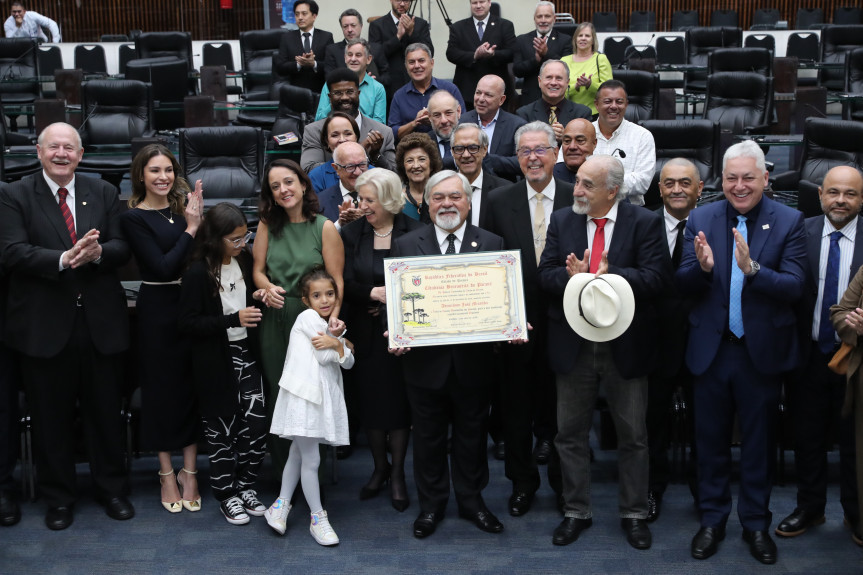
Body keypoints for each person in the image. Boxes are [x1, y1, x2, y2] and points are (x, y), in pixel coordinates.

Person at [677, 140, 807, 565]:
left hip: (759, 353)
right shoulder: (700, 216)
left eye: (748, 178)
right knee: (709, 442)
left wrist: (753, 270)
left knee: (758, 445)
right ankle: (712, 520)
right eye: (731, 178)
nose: (739, 186)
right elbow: (682, 284)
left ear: (765, 179)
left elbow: (794, 287)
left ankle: (755, 523)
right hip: (712, 351)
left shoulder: (790, 221)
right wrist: (703, 269)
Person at [0, 122, 133, 530]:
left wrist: (95, 255)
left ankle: (111, 489)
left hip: (100, 324)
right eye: (53, 147)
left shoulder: (104, 191)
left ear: (80, 154)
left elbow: (121, 247)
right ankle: (59, 498)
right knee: (50, 417)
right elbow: (12, 252)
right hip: (44, 326)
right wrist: (65, 258)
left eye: (69, 148)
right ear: (38, 152)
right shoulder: (13, 193)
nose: (62, 154)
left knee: (105, 413)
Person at [537, 154, 670, 550]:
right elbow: (544, 275)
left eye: (586, 185)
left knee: (633, 435)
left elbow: (656, 279)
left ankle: (634, 513)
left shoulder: (643, 222)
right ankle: (576, 510)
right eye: (577, 182)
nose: (576, 190)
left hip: (625, 346)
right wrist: (570, 278)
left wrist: (608, 277)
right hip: (573, 345)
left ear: (612, 191)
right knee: (569, 435)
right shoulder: (563, 220)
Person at [389, 170, 506, 539]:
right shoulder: (407, 245)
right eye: (438, 197)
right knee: (428, 438)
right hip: (424, 364)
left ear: (469, 203)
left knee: (473, 435)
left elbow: (500, 299)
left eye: (455, 197)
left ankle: (472, 502)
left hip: (474, 364)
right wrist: (395, 330)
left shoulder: (491, 242)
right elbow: (399, 303)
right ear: (426, 203)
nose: (447, 204)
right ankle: (432, 505)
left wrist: (510, 323)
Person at [485, 121, 572, 518]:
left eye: (540, 149)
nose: (533, 157)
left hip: (566, 323)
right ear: (516, 158)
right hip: (514, 326)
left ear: (555, 154)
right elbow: (488, 264)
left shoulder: (577, 198)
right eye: (525, 151)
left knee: (560, 415)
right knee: (516, 413)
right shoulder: (499, 200)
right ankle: (522, 484)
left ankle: (562, 486)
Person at [777, 166, 863, 541]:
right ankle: (809, 508)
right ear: (820, 195)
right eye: (833, 192)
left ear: (861, 199)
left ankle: (856, 512)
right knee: (807, 436)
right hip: (808, 352)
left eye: (850, 193)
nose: (840, 200)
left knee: (855, 440)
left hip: (857, 359)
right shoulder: (801, 231)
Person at [120, 144, 204, 515]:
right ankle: (166, 473)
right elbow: (163, 267)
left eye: (169, 170)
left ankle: (190, 471)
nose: (163, 177)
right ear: (141, 175)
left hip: (190, 306)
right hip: (156, 309)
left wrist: (193, 223)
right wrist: (193, 227)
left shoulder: (182, 211)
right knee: (160, 392)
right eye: (155, 171)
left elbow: (200, 259)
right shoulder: (133, 217)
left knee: (190, 386)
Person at [178, 203, 269, 526]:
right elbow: (187, 324)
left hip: (247, 353)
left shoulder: (243, 261)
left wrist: (258, 299)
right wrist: (232, 318)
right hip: (216, 359)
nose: (241, 244)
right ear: (215, 239)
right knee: (221, 431)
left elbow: (247, 300)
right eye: (234, 239)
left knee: (256, 425)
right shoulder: (198, 273)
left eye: (244, 236)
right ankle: (226, 494)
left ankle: (245, 486)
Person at [253, 159, 345, 478]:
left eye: (289, 182)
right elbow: (257, 271)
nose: (283, 190)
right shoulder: (267, 225)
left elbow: (337, 280)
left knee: (310, 393)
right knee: (281, 393)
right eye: (275, 186)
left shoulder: (324, 226)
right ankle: (284, 477)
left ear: (303, 184)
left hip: (311, 319)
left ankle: (312, 476)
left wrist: (332, 321)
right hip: (277, 316)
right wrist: (267, 287)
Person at [341, 168, 423, 511]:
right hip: (365, 333)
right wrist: (370, 295)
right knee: (372, 405)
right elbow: (342, 281)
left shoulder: (416, 231)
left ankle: (399, 474)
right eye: (361, 198)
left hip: (404, 336)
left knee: (399, 407)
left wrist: (391, 300)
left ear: (389, 201)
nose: (363, 205)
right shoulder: (350, 234)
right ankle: (379, 469)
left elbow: (421, 281)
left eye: (369, 200)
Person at [265, 268, 354, 546]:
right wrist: (340, 344)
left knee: (297, 454)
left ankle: (280, 505)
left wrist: (339, 344)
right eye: (317, 295)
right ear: (306, 300)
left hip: (318, 398)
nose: (324, 300)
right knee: (313, 459)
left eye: (329, 294)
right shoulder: (307, 318)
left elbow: (347, 361)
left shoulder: (329, 325)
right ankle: (318, 518)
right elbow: (325, 354)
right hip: (304, 398)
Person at [646, 158, 703, 522]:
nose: (677, 189)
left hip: (703, 343)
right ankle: (652, 492)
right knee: (652, 426)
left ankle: (705, 496)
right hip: (653, 344)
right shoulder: (642, 224)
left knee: (704, 428)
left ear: (699, 188)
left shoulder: (716, 224)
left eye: (685, 183)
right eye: (669, 183)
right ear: (659, 188)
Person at [301, 69, 395, 174]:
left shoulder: (383, 132)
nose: (345, 97)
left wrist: (375, 156)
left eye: (350, 92)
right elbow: (308, 169)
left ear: (358, 93)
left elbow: (394, 175)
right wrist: (358, 150)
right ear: (330, 97)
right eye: (338, 93)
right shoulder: (314, 131)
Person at [591, 80, 656, 206]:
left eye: (619, 102)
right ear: (596, 104)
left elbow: (642, 182)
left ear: (626, 105)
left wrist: (597, 182)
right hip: (590, 208)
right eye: (607, 101)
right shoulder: (583, 133)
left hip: (629, 211)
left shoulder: (642, 136)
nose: (614, 106)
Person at [446, 0, 517, 111]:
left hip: (496, 91)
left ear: (489, 3)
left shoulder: (505, 25)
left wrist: (493, 54)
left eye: (482, 1)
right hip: (467, 91)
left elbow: (512, 52)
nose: (478, 6)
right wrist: (474, 56)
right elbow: (451, 53)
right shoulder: (458, 27)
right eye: (474, 2)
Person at [388, 43, 465, 140]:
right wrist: (415, 123)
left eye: (421, 61)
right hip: (412, 150)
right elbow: (392, 133)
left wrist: (436, 119)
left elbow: (464, 122)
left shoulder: (449, 89)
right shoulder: (399, 96)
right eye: (411, 62)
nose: (416, 66)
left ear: (432, 63)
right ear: (406, 66)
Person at [459, 74, 526, 181]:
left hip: (502, 188)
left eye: (488, 95)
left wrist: (486, 158)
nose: (481, 99)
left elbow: (521, 162)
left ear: (501, 100)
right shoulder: (461, 122)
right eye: (478, 93)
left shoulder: (516, 125)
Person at [368, 0, 433, 102]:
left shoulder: (421, 24)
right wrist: (397, 37)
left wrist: (412, 32)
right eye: (398, 0)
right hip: (389, 88)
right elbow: (375, 56)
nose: (402, 4)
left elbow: (429, 52)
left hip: (417, 85)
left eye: (406, 1)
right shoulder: (377, 25)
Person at [516, 60, 591, 142]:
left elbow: (587, 147)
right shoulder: (524, 114)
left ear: (567, 82)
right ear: (539, 81)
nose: (553, 82)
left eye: (559, 78)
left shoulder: (582, 114)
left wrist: (566, 138)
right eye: (549, 77)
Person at [514, 2, 573, 106]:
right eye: (539, 16)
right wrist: (535, 60)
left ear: (554, 18)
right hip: (530, 99)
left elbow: (567, 68)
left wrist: (546, 53)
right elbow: (517, 70)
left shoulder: (565, 40)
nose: (543, 20)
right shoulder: (522, 40)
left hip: (557, 99)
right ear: (534, 19)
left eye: (547, 16)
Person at [317, 39, 387, 124]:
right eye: (350, 55)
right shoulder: (331, 84)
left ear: (369, 59)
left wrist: (355, 113)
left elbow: (380, 124)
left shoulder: (378, 89)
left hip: (365, 135)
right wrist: (335, 105)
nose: (353, 59)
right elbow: (318, 120)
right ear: (345, 58)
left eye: (358, 55)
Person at [451, 123, 507, 229]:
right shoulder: (438, 190)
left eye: (473, 148)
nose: (466, 155)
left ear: (484, 150)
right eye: (459, 148)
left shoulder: (504, 191)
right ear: (452, 152)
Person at [274, 0, 334, 94]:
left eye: (304, 14)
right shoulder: (287, 38)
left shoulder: (326, 37)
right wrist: (299, 64)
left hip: (320, 92)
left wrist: (313, 64)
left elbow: (331, 66)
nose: (300, 17)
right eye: (297, 14)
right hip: (295, 92)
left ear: (314, 16)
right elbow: (280, 67)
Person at [323, 10, 389, 89]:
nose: (349, 30)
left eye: (353, 25)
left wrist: (374, 80)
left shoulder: (376, 48)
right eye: (345, 26)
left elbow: (387, 77)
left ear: (361, 26)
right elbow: (329, 78)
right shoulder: (332, 50)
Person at [561, 23, 612, 116]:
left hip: (595, 114)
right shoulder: (564, 61)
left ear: (593, 40)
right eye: (580, 35)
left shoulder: (600, 59)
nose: (583, 38)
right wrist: (575, 86)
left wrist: (590, 84)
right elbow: (558, 90)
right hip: (569, 114)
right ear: (575, 39)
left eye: (587, 36)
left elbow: (610, 90)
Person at [317, 141, 368, 229]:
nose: (358, 172)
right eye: (350, 167)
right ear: (336, 168)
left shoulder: (381, 196)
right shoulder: (320, 202)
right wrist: (340, 224)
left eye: (362, 165)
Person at [309, 112, 361, 193]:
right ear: (327, 141)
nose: (342, 139)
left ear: (356, 137)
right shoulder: (316, 177)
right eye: (335, 135)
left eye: (348, 134)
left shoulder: (373, 173)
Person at [395, 132, 441, 223]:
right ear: (403, 166)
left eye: (422, 159)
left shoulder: (442, 197)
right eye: (410, 160)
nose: (416, 166)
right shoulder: (396, 200)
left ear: (431, 164)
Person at [553, 118, 597, 184]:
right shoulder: (548, 177)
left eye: (580, 140)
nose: (572, 147)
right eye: (567, 141)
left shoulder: (605, 177)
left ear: (594, 143)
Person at [427, 90, 461, 169]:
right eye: (437, 115)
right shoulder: (423, 144)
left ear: (458, 112)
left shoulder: (472, 139)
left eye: (448, 113)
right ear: (429, 117)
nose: (444, 120)